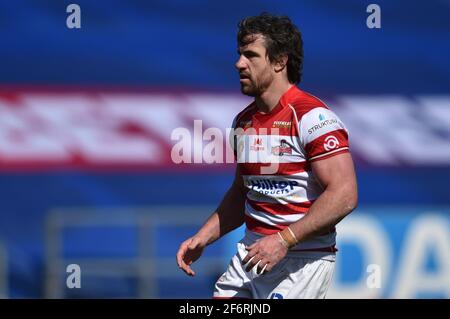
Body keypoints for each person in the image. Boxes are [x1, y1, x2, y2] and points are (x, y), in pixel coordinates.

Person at [176, 12, 358, 299]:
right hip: (251, 254)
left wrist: (284, 240)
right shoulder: (243, 122)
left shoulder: (312, 117)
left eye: (251, 55)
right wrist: (203, 237)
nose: (239, 64)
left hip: (301, 262)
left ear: (279, 61)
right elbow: (242, 192)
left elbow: (345, 194)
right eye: (239, 54)